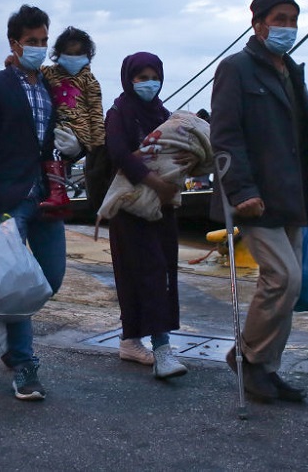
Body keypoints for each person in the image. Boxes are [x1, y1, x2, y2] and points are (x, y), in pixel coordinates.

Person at [210, 0, 308, 403]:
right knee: (283, 279)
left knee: (289, 286)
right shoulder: (236, 68)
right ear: (257, 24)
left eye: (292, 19)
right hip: (255, 196)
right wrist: (240, 191)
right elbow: (225, 135)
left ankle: (266, 368)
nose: (287, 27)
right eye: (279, 19)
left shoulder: (291, 71)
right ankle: (248, 357)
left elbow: (299, 139)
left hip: (292, 195)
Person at [0, 3, 70, 401]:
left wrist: (73, 147)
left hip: (48, 197)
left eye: (44, 41)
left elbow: (57, 139)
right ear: (14, 43)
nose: (40, 48)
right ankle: (25, 365)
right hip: (9, 199)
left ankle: (14, 346)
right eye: (33, 42)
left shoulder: (51, 87)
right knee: (15, 284)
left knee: (51, 277)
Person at [105, 53, 189, 379]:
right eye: (140, 77)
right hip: (131, 206)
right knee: (147, 270)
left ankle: (130, 339)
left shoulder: (163, 114)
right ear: (129, 79)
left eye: (153, 76)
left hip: (162, 206)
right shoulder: (119, 113)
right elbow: (118, 153)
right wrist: (153, 179)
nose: (148, 83)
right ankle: (162, 348)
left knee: (162, 268)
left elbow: (172, 150)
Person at [41, 26, 106, 215]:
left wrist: (96, 144)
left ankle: (59, 194)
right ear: (58, 54)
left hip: (78, 130)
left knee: (52, 152)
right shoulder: (49, 73)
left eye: (78, 54)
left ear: (87, 55)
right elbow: (29, 70)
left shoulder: (89, 81)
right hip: (57, 127)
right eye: (68, 54)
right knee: (50, 151)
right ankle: (56, 195)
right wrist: (12, 63)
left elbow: (96, 112)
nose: (73, 58)